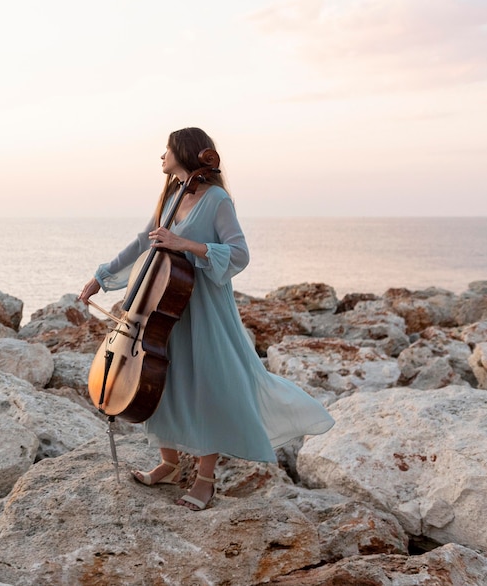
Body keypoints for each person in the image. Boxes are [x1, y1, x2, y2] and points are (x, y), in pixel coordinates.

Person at [79, 127, 334, 511]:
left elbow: (239, 253)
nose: (161, 157)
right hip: (161, 305)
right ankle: (167, 463)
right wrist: (102, 277)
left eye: (166, 149)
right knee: (161, 380)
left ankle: (205, 480)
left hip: (203, 308)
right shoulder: (170, 193)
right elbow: (142, 241)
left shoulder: (216, 199)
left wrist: (184, 244)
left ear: (185, 152)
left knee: (207, 386)